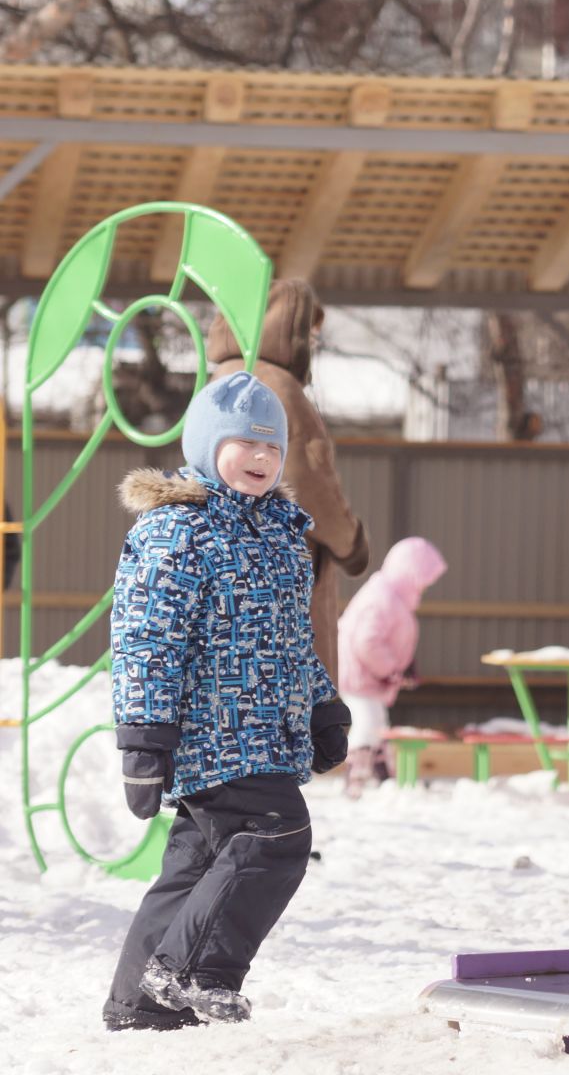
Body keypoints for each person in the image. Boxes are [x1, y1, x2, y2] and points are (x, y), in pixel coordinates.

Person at [103, 373, 351, 1031]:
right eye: (245, 444)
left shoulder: (278, 537)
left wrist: (323, 706)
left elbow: (292, 641)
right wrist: (142, 738)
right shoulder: (177, 533)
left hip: (263, 734)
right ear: (207, 445)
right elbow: (146, 642)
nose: (262, 459)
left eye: (272, 449)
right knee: (276, 834)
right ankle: (192, 971)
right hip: (210, 735)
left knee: (196, 864)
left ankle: (141, 1008)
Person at [206, 279, 369, 680]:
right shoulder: (279, 389)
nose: (314, 342)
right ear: (288, 329)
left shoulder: (218, 382)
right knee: (301, 694)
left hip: (229, 559)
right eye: (309, 332)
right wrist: (352, 544)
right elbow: (309, 483)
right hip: (288, 562)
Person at [336, 537, 448, 797]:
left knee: (378, 722)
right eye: (424, 577)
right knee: (367, 722)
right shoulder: (383, 598)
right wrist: (391, 670)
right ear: (411, 573)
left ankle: (380, 773)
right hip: (359, 674)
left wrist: (404, 664)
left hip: (369, 675)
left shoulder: (394, 597)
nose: (426, 585)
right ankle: (357, 775)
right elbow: (367, 641)